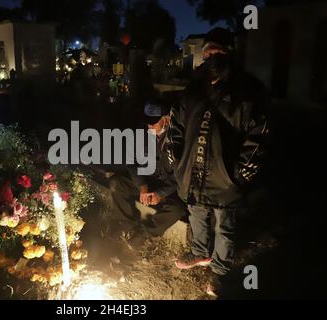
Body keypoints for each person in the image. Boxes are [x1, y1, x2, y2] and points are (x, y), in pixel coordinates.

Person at [170, 27, 269, 297]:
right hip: (195, 170)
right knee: (198, 214)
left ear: (228, 53)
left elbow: (258, 134)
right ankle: (200, 252)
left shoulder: (247, 90)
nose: (211, 55)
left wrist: (241, 174)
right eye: (208, 51)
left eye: (218, 50)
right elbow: (176, 126)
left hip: (226, 175)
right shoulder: (193, 88)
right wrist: (177, 161)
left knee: (224, 226)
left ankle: (220, 273)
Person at [109, 98, 189, 248]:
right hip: (146, 182)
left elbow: (181, 174)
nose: (150, 126)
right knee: (116, 183)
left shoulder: (178, 138)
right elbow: (131, 162)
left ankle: (145, 234)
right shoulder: (142, 135)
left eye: (154, 122)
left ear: (166, 119)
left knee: (177, 208)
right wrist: (142, 185)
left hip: (168, 189)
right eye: (148, 123)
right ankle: (128, 227)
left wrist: (160, 193)